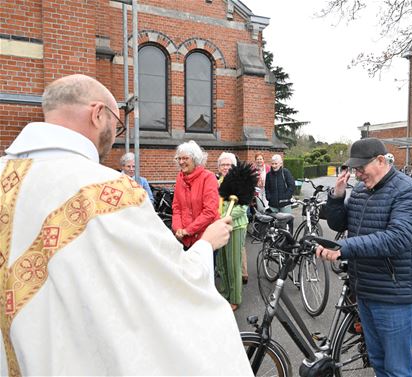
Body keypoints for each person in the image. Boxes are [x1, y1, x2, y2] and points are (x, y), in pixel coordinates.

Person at [0, 74, 252, 375]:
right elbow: (169, 285)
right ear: (97, 114)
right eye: (116, 125)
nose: (116, 136)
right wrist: (205, 245)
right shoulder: (106, 191)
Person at [316, 137, 412, 376]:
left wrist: (343, 248)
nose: (357, 173)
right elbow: (339, 223)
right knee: (377, 360)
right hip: (365, 289)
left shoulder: (407, 191)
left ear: (380, 161)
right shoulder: (358, 191)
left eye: (361, 167)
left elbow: (397, 238)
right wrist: (337, 196)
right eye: (354, 168)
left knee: (397, 369)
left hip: (395, 294)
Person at [216, 152, 249, 310]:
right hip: (220, 226)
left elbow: (242, 209)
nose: (226, 167)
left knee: (233, 263)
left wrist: (223, 217)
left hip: (236, 227)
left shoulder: (240, 183)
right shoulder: (217, 183)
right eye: (223, 164)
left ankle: (235, 298)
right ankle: (224, 294)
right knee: (221, 263)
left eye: (229, 165)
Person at [172, 141, 220, 251]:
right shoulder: (180, 178)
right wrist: (178, 228)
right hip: (185, 239)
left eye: (185, 158)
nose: (181, 162)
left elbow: (210, 211)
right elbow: (176, 207)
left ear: (195, 159)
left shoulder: (208, 177)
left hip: (205, 238)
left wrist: (188, 230)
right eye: (179, 158)